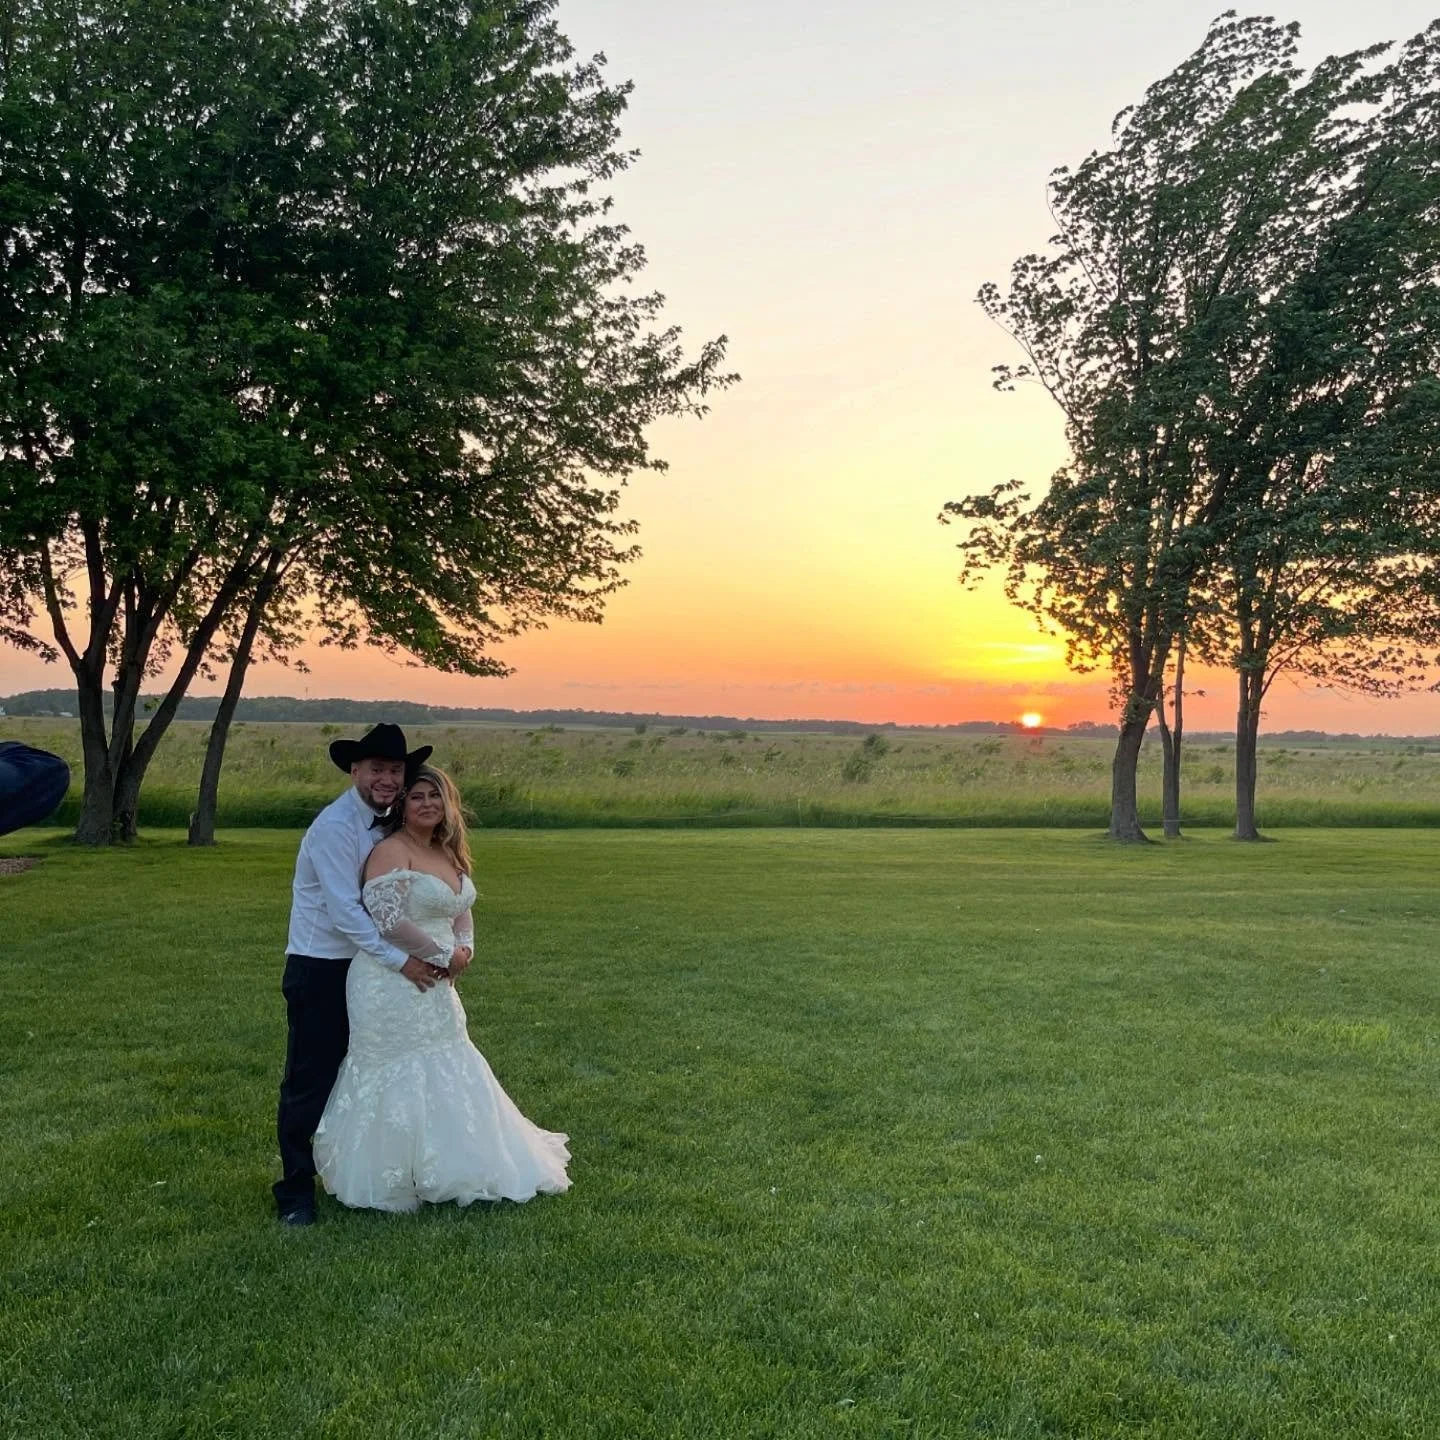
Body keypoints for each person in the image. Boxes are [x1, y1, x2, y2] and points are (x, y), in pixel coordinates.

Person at [313, 762, 571, 1212]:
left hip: (437, 981)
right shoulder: (391, 852)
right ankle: (389, 1173)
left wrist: (466, 950)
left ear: (448, 803)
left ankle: (453, 1164)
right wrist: (441, 954)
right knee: (395, 1068)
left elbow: (461, 907)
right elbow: (388, 921)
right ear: (402, 805)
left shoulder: (448, 853)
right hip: (389, 982)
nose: (427, 804)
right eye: (417, 797)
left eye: (436, 796)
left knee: (449, 1059)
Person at [273, 722, 445, 1226]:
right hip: (322, 967)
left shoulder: (395, 822)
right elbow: (347, 913)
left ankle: (366, 1171)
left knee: (376, 1072)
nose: (388, 779)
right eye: (377, 769)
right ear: (355, 771)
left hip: (371, 972)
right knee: (310, 1079)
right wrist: (404, 960)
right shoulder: (333, 829)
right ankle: (295, 1191)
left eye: (395, 770)